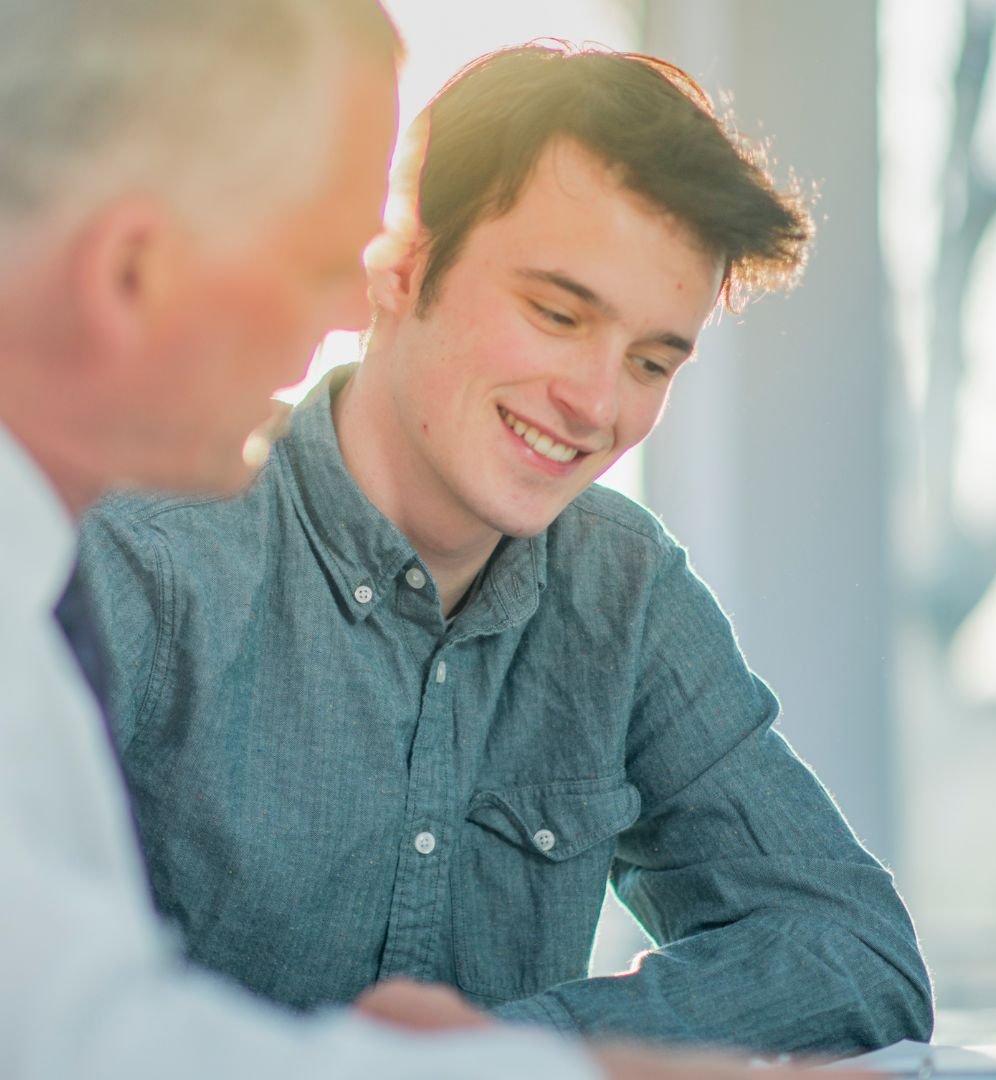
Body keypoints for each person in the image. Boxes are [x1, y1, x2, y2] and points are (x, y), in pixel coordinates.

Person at [0, 5, 821, 1077]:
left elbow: (842, 947)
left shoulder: (622, 583)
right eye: (558, 314)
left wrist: (507, 1049)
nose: (597, 403)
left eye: (655, 363)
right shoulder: (127, 561)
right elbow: (68, 1033)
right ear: (405, 266)